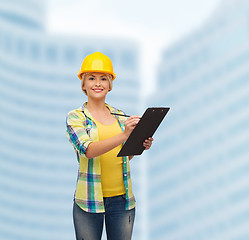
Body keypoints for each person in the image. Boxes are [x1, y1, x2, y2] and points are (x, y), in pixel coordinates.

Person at [66, 52, 153, 240]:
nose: (98, 83)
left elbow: (123, 156)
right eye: (91, 78)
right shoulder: (76, 117)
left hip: (122, 201)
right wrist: (124, 135)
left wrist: (139, 145)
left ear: (110, 84)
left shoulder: (120, 116)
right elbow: (88, 151)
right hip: (89, 201)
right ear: (83, 84)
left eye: (103, 78)